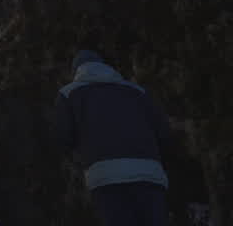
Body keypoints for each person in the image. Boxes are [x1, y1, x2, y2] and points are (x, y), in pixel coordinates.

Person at [55, 50, 172, 226]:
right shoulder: (137, 91)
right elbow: (163, 132)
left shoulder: (69, 93)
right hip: (149, 175)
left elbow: (63, 138)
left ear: (76, 71)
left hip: (106, 177)